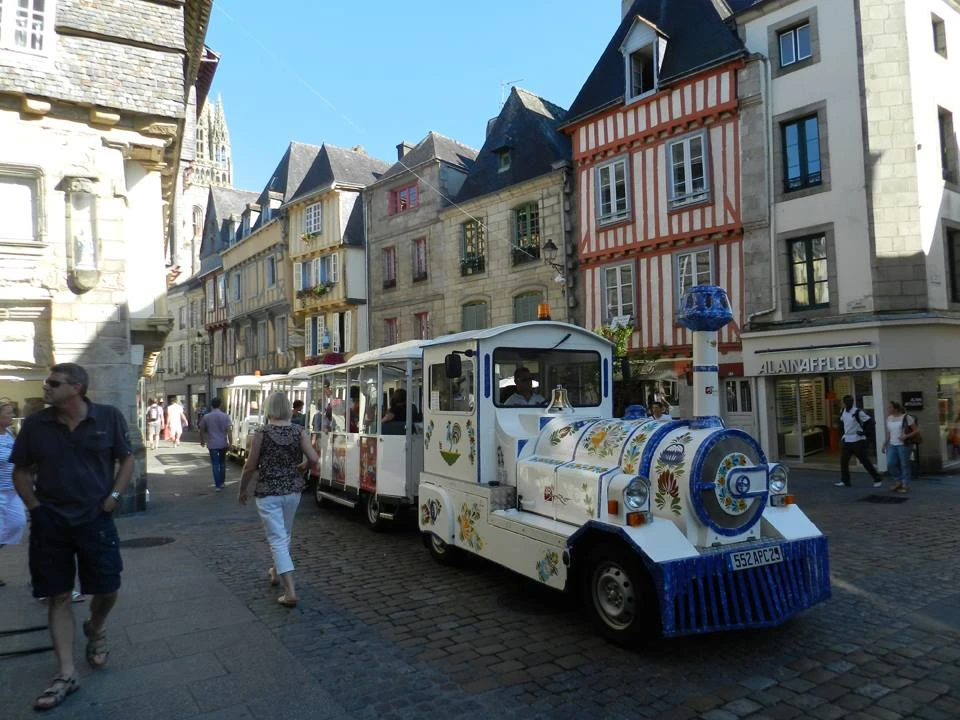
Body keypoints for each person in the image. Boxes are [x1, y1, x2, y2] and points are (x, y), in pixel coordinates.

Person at [11, 363, 133, 711]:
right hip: (51, 522)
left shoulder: (108, 418)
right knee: (58, 595)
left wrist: (115, 498)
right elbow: (20, 470)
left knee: (108, 589)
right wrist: (35, 508)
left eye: (54, 383)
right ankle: (66, 672)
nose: (46, 388)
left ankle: (95, 627)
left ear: (76, 388)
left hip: (96, 519)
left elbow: (126, 459)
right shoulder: (36, 424)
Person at [238, 391, 319, 608]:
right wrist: (302, 467)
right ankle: (275, 571)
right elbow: (313, 458)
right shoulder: (298, 431)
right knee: (285, 534)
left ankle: (290, 591)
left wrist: (242, 489)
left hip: (268, 492)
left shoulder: (262, 433)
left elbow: (251, 466)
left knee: (277, 539)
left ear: (269, 408)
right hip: (293, 491)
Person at [0, 401, 28, 589]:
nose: (12, 416)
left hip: (11, 491)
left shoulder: (9, 434)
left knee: (17, 524)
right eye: (8, 413)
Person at [835, 395, 883, 488]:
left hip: (858, 440)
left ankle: (877, 479)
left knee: (865, 461)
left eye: (852, 401)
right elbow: (842, 424)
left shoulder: (858, 412)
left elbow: (871, 422)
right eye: (848, 401)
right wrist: (842, 436)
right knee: (843, 461)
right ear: (844, 402)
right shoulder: (843, 411)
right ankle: (845, 481)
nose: (850, 403)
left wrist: (864, 432)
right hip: (847, 440)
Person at [882, 401, 918, 494]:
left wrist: (905, 436)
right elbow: (889, 433)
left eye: (890, 407)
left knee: (904, 465)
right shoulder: (889, 418)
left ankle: (905, 484)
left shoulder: (906, 417)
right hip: (892, 444)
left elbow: (916, 430)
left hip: (904, 445)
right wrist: (885, 444)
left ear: (895, 408)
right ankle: (898, 481)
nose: (888, 409)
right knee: (890, 464)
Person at [199, 398, 233, 492]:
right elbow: (229, 431)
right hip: (222, 443)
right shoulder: (225, 416)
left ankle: (217, 485)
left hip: (212, 443)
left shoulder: (206, 416)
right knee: (222, 463)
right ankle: (222, 483)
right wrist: (231, 443)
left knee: (215, 464)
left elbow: (201, 429)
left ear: (211, 405)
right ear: (220, 405)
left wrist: (202, 440)